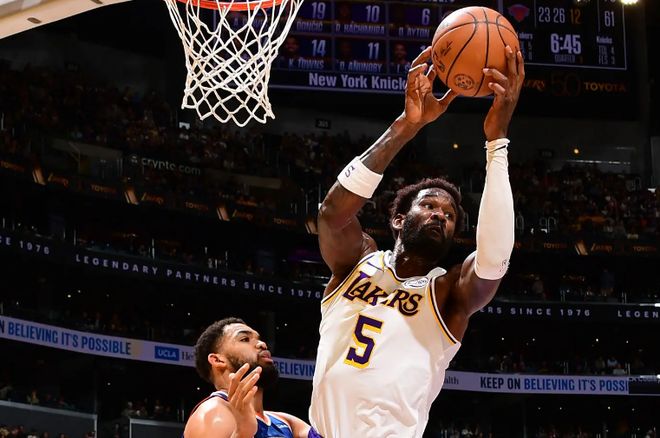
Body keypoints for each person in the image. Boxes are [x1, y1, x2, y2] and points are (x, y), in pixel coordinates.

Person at [310, 45, 524, 437]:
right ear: (397, 220)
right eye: (429, 206)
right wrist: (406, 127)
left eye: (449, 216)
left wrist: (497, 144)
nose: (440, 215)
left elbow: (494, 260)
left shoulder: (448, 292)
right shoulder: (357, 262)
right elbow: (331, 214)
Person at [184, 317, 313, 438]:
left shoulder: (285, 421)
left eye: (259, 339)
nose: (262, 344)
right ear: (217, 360)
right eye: (245, 339)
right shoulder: (213, 412)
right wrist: (242, 433)